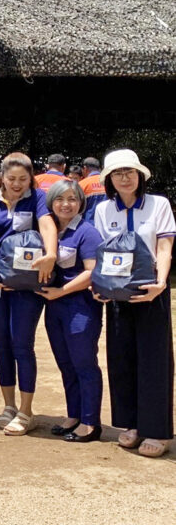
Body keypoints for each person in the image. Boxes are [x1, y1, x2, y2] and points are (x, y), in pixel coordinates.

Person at [93, 149, 174, 458]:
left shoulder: (159, 205)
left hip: (150, 288)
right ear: (109, 180)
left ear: (140, 175)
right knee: (121, 357)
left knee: (155, 360)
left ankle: (157, 429)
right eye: (117, 173)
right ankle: (132, 423)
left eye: (129, 171)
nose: (124, 177)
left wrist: (161, 283)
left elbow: (165, 248)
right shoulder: (103, 210)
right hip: (116, 292)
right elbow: (101, 253)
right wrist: (98, 287)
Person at [0, 152, 58, 436]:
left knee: (21, 344)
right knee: (2, 345)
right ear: (2, 177)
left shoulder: (37, 198)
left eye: (23, 179)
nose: (16, 184)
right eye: (11, 179)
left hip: (27, 285)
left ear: (31, 179)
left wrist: (50, 254)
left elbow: (47, 224)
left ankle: (27, 411)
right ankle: (9, 406)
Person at [36, 180, 104, 443]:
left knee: (84, 364)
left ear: (81, 203)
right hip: (55, 307)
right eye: (60, 199)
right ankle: (74, 415)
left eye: (72, 199)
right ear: (51, 202)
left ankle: (90, 422)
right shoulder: (51, 231)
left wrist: (61, 292)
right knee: (66, 364)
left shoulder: (87, 232)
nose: (66, 204)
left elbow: (91, 272)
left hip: (80, 307)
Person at [78, 157, 106, 223]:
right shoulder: (110, 182)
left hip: (89, 225)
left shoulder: (81, 184)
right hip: (109, 224)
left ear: (85, 168)